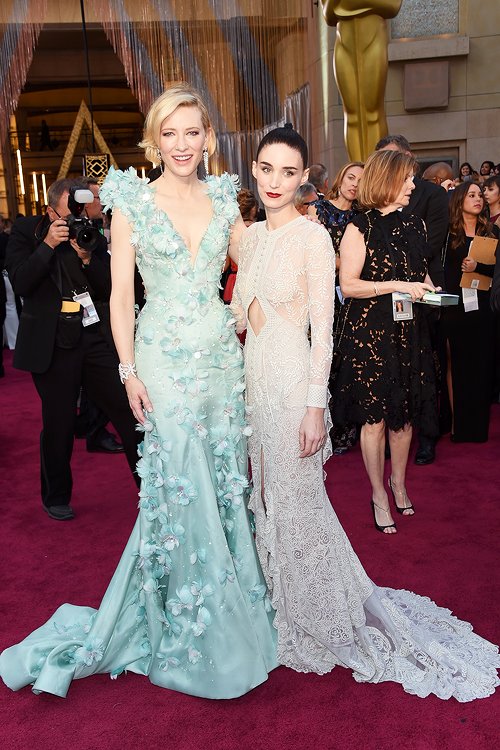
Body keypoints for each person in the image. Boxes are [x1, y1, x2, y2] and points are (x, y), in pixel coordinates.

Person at [0, 82, 277, 699]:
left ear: (208, 138)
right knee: (183, 482)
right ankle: (192, 624)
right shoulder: (133, 202)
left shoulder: (224, 199)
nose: (182, 144)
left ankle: (234, 609)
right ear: (154, 140)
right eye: (169, 133)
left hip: (219, 363)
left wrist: (286, 249)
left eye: (192, 132)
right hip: (162, 361)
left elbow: (253, 265)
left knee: (224, 481)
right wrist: (127, 371)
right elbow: (121, 296)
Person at [231, 126, 499, 700]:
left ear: (304, 178)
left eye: (289, 172)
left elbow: (324, 332)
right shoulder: (249, 239)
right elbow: (239, 313)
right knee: (267, 498)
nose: (276, 182)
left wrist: (315, 406)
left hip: (293, 383)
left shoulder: (313, 237)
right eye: (267, 169)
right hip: (255, 383)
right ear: (253, 170)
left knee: (300, 500)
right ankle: (282, 602)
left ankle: (321, 612)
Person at [5, 178, 141, 520]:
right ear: (51, 208)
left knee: (128, 411)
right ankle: (56, 496)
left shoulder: (90, 231)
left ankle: (150, 487)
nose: (76, 217)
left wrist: (86, 258)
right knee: (60, 422)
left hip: (92, 337)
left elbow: (110, 287)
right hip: (52, 342)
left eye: (82, 208)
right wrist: (48, 245)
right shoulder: (27, 230)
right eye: (70, 211)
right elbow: (21, 282)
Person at [330, 149, 439, 533]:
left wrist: (431, 291)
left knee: (404, 415)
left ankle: (398, 483)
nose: (412, 184)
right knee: (375, 420)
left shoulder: (416, 224)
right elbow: (349, 285)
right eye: (406, 178)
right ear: (387, 180)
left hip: (409, 331)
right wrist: (397, 285)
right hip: (372, 335)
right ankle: (378, 493)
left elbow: (420, 275)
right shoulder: (359, 227)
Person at [376, 134, 449, 466]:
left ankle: (428, 436)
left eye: (394, 157)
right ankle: (393, 432)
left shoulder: (432, 194)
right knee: (392, 368)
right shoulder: (374, 199)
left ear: (408, 157)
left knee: (427, 367)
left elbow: (432, 242)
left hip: (424, 288)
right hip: (385, 296)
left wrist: (402, 271)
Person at [309, 161, 364, 454]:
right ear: (340, 178)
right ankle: (317, 427)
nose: (354, 184)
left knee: (346, 364)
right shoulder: (317, 209)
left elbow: (361, 264)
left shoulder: (362, 219)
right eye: (350, 177)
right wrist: (344, 262)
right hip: (318, 294)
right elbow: (311, 255)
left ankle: (343, 430)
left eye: (360, 180)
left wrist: (339, 262)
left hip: (350, 300)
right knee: (319, 359)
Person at [439, 182, 498, 442]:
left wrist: (479, 267)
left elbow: (498, 270)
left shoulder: (492, 232)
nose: (478, 199)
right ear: (459, 199)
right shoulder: (447, 233)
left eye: (480, 195)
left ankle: (476, 427)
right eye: (471, 195)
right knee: (455, 364)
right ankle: (456, 425)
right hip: (454, 306)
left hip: (483, 307)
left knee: (481, 366)